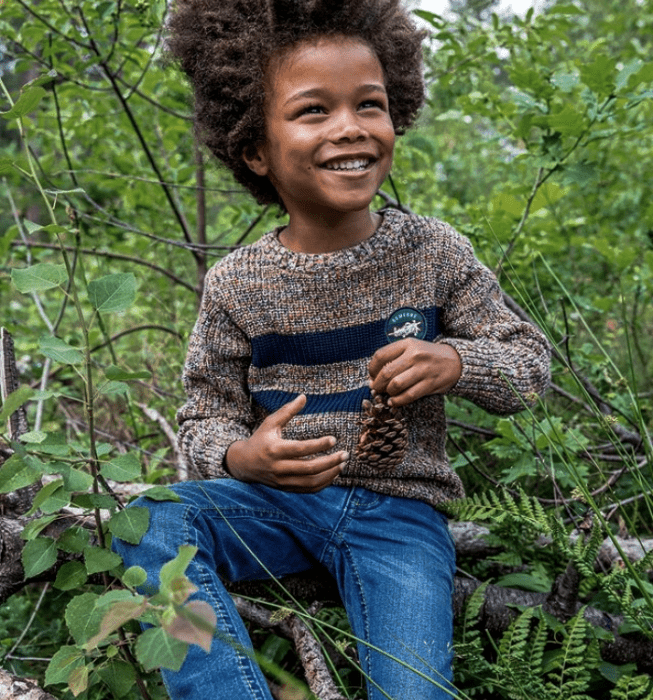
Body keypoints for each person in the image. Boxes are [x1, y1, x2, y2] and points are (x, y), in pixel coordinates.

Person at [113, 0, 551, 698]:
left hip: (400, 517)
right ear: (255, 147)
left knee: (412, 689)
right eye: (313, 111)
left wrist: (457, 362)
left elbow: (528, 369)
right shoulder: (236, 284)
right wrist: (239, 456)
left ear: (395, 112)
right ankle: (223, 687)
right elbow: (203, 417)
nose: (349, 128)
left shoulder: (433, 253)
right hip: (274, 508)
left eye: (368, 105)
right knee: (152, 522)